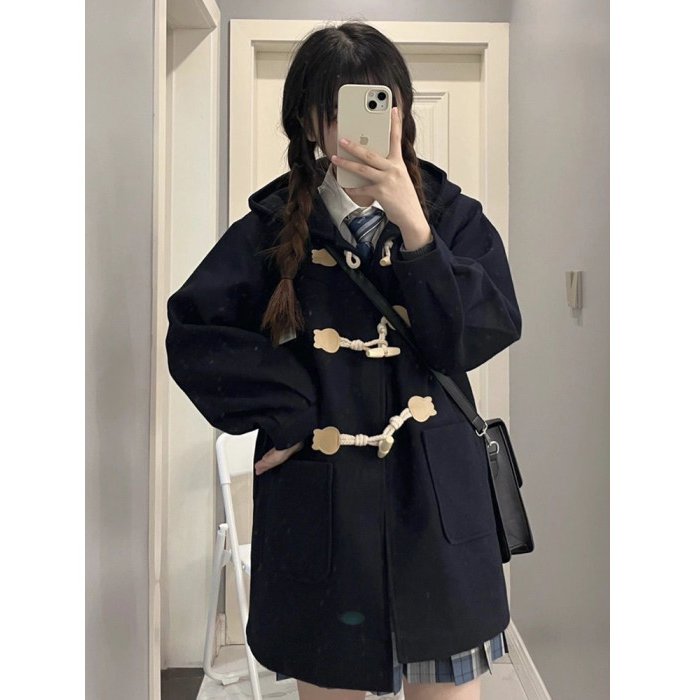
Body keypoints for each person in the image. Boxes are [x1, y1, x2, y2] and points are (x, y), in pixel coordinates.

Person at [165, 20, 522, 700]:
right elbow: (195, 334)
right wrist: (290, 409)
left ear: (401, 113)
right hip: (321, 507)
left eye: (378, 103)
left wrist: (415, 232)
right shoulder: (270, 228)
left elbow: (482, 331)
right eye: (336, 110)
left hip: (436, 504)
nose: (356, 127)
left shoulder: (452, 217)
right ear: (307, 121)